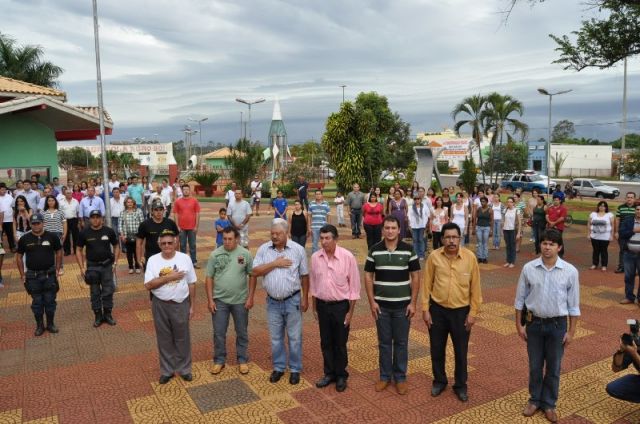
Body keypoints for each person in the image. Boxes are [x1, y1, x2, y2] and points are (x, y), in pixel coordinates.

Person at [514, 229, 580, 423]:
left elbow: (574, 305)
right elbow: (519, 299)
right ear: (540, 245)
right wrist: (519, 325)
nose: (547, 247)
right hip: (534, 324)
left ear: (559, 247)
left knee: (554, 366)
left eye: (552, 244)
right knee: (535, 365)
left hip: (557, 326)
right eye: (544, 243)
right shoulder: (529, 268)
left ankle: (549, 403)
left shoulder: (570, 271)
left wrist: (571, 332)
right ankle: (534, 399)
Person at [421, 222, 482, 402]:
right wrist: (425, 309)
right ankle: (439, 381)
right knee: (437, 348)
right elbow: (426, 284)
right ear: (442, 239)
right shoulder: (434, 257)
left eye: (454, 237)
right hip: (437, 311)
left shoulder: (470, 258)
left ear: (460, 238)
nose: (451, 241)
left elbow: (476, 288)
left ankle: (460, 385)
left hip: (461, 313)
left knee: (461, 351)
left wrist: (473, 313)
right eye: (447, 237)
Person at [364, 216, 420, 395]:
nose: (390, 231)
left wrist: (413, 303)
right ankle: (385, 376)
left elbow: (416, 276)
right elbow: (368, 276)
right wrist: (372, 302)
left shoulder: (408, 250)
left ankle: (400, 377)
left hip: (403, 306)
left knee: (401, 342)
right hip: (381, 307)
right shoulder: (374, 250)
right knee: (384, 343)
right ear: (382, 230)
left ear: (399, 230)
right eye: (387, 228)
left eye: (393, 228)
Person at [250, 218, 309, 385]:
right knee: (276, 337)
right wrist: (275, 263)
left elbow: (304, 275)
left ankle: (295, 369)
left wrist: (305, 298)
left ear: (286, 233)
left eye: (278, 234)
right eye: (272, 233)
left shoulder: (298, 250)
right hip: (273, 302)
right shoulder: (264, 249)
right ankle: (279, 367)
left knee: (294, 337)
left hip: (293, 300)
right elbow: (254, 271)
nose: (274, 236)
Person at [311, 224, 360, 393]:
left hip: (341, 307)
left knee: (340, 342)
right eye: (321, 238)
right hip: (322, 306)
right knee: (325, 341)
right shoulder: (315, 258)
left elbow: (354, 288)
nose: (324, 242)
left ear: (335, 239)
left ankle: (341, 375)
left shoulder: (347, 257)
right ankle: (329, 373)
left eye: (327, 238)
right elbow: (314, 284)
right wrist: (314, 308)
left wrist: (350, 313)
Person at [144, 229, 197, 384]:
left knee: (183, 338)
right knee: (164, 338)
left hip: (181, 304)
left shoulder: (185, 258)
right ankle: (167, 371)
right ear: (159, 244)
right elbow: (148, 285)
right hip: (160, 304)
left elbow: (192, 283)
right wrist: (170, 277)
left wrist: (192, 306)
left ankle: (185, 369)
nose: (167, 246)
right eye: (163, 243)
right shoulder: (153, 260)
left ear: (175, 242)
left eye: (170, 243)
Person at [206, 226, 255, 375]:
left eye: (230, 239)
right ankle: (219, 360)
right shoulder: (215, 254)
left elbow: (252, 275)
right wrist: (210, 300)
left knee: (242, 332)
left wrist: (250, 297)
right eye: (224, 239)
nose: (227, 242)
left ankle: (242, 359)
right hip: (219, 300)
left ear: (237, 239)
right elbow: (209, 277)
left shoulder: (245, 254)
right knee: (219, 332)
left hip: (240, 301)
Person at [16, 213, 62, 336]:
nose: (36, 225)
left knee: (50, 300)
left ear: (43, 223)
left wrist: (57, 269)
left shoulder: (52, 236)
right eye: (33, 223)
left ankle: (50, 324)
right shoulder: (24, 239)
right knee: (37, 302)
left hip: (49, 275)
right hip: (32, 276)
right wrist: (22, 274)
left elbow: (59, 251)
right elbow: (19, 256)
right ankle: (40, 326)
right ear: (30, 224)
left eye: (38, 223)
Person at [76, 210, 120, 327]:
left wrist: (115, 263)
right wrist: (81, 267)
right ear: (89, 219)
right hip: (92, 267)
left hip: (107, 266)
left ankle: (108, 315)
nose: (95, 219)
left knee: (108, 291)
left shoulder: (108, 231)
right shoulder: (84, 233)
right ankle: (98, 316)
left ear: (102, 218)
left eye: (97, 217)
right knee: (94, 293)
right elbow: (78, 250)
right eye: (93, 217)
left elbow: (116, 246)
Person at [136, 201, 179, 270]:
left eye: (161, 210)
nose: (158, 212)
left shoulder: (170, 223)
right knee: (151, 276)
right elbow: (139, 243)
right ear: (152, 211)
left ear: (164, 211)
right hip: (151, 255)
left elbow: (176, 239)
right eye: (156, 210)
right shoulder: (145, 224)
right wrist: (138, 259)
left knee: (169, 274)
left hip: (167, 254)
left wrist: (176, 254)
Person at [173, 184, 201, 268]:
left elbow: (197, 213)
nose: (186, 191)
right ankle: (183, 262)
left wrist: (196, 226)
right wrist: (177, 226)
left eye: (187, 189)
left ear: (189, 190)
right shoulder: (178, 201)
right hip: (181, 228)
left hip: (192, 227)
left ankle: (193, 261)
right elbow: (175, 214)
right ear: (182, 191)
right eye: (184, 189)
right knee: (182, 246)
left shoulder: (194, 201)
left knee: (192, 245)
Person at [606, 337, 640, 403]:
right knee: (614, 388)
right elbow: (616, 369)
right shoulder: (636, 345)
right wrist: (621, 351)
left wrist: (635, 354)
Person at [619, 204, 640, 305]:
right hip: (629, 253)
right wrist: (634, 231)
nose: (639, 211)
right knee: (629, 276)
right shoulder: (628, 220)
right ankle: (629, 297)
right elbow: (622, 233)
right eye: (638, 209)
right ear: (635, 210)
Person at [42, 195, 67, 275]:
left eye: (52, 200)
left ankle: (60, 268)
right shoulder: (43, 212)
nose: (51, 202)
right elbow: (42, 224)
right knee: (48, 252)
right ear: (47, 202)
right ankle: (49, 267)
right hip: (46, 234)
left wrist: (64, 234)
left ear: (55, 201)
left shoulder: (60, 212)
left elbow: (64, 223)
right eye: (49, 201)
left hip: (58, 234)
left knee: (59, 252)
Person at [119, 197, 144, 274]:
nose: (129, 204)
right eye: (128, 202)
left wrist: (142, 235)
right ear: (125, 204)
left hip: (137, 235)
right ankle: (130, 267)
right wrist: (122, 235)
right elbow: (120, 225)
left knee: (137, 251)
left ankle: (137, 266)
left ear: (134, 203)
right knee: (129, 252)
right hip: (127, 236)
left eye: (131, 202)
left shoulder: (139, 211)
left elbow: (142, 223)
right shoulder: (122, 213)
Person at [588, 201, 614, 271]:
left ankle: (604, 265)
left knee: (604, 251)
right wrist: (588, 234)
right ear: (598, 206)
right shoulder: (593, 214)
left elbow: (612, 225)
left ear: (606, 207)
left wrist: (611, 235)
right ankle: (594, 264)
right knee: (595, 250)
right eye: (600, 205)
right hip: (594, 236)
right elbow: (589, 224)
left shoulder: (609, 215)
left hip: (605, 237)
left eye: (603, 206)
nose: (602, 207)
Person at [615, 193, 637, 273]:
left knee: (635, 250)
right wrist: (616, 232)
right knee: (622, 250)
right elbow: (617, 220)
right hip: (623, 232)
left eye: (631, 197)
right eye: (628, 197)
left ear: (634, 199)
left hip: (634, 233)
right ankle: (621, 267)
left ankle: (633, 268)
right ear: (625, 198)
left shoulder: (637, 208)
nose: (629, 199)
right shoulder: (620, 207)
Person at [59, 188, 80, 257]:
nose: (69, 194)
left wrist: (78, 222)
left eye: (70, 193)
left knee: (76, 236)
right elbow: (59, 212)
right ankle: (67, 251)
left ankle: (75, 250)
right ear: (65, 194)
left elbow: (78, 212)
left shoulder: (75, 201)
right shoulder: (61, 202)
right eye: (67, 193)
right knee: (65, 235)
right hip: (65, 220)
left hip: (74, 220)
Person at [502, 196, 522, 268]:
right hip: (506, 230)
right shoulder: (505, 210)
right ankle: (508, 261)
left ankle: (512, 261)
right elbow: (503, 220)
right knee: (508, 246)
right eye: (508, 202)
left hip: (513, 230)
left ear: (513, 203)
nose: (509, 203)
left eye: (511, 202)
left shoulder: (517, 210)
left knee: (512, 246)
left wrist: (518, 233)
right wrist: (502, 229)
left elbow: (519, 222)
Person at [408, 196, 429, 260]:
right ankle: (416, 254)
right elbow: (409, 216)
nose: (417, 200)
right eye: (415, 199)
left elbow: (428, 215)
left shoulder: (425, 206)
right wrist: (409, 225)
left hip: (422, 226)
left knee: (421, 240)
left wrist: (426, 225)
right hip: (414, 226)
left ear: (420, 200)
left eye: (418, 199)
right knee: (415, 240)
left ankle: (421, 255)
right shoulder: (411, 207)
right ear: (414, 200)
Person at [474, 196, 493, 264]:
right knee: (479, 243)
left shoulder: (490, 210)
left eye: (484, 201)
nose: (482, 203)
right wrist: (474, 228)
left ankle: (484, 257)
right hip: (479, 227)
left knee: (485, 243)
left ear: (487, 202)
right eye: (481, 201)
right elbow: (475, 218)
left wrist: (491, 230)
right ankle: (479, 257)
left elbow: (492, 220)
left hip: (486, 227)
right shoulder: (478, 209)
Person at [0, 183, 15, 253]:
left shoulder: (9, 197)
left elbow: (13, 206)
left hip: (9, 219)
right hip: (0, 220)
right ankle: (1, 248)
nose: (4, 191)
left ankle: (12, 247)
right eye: (2, 190)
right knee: (0, 235)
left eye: (4, 190)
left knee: (10, 234)